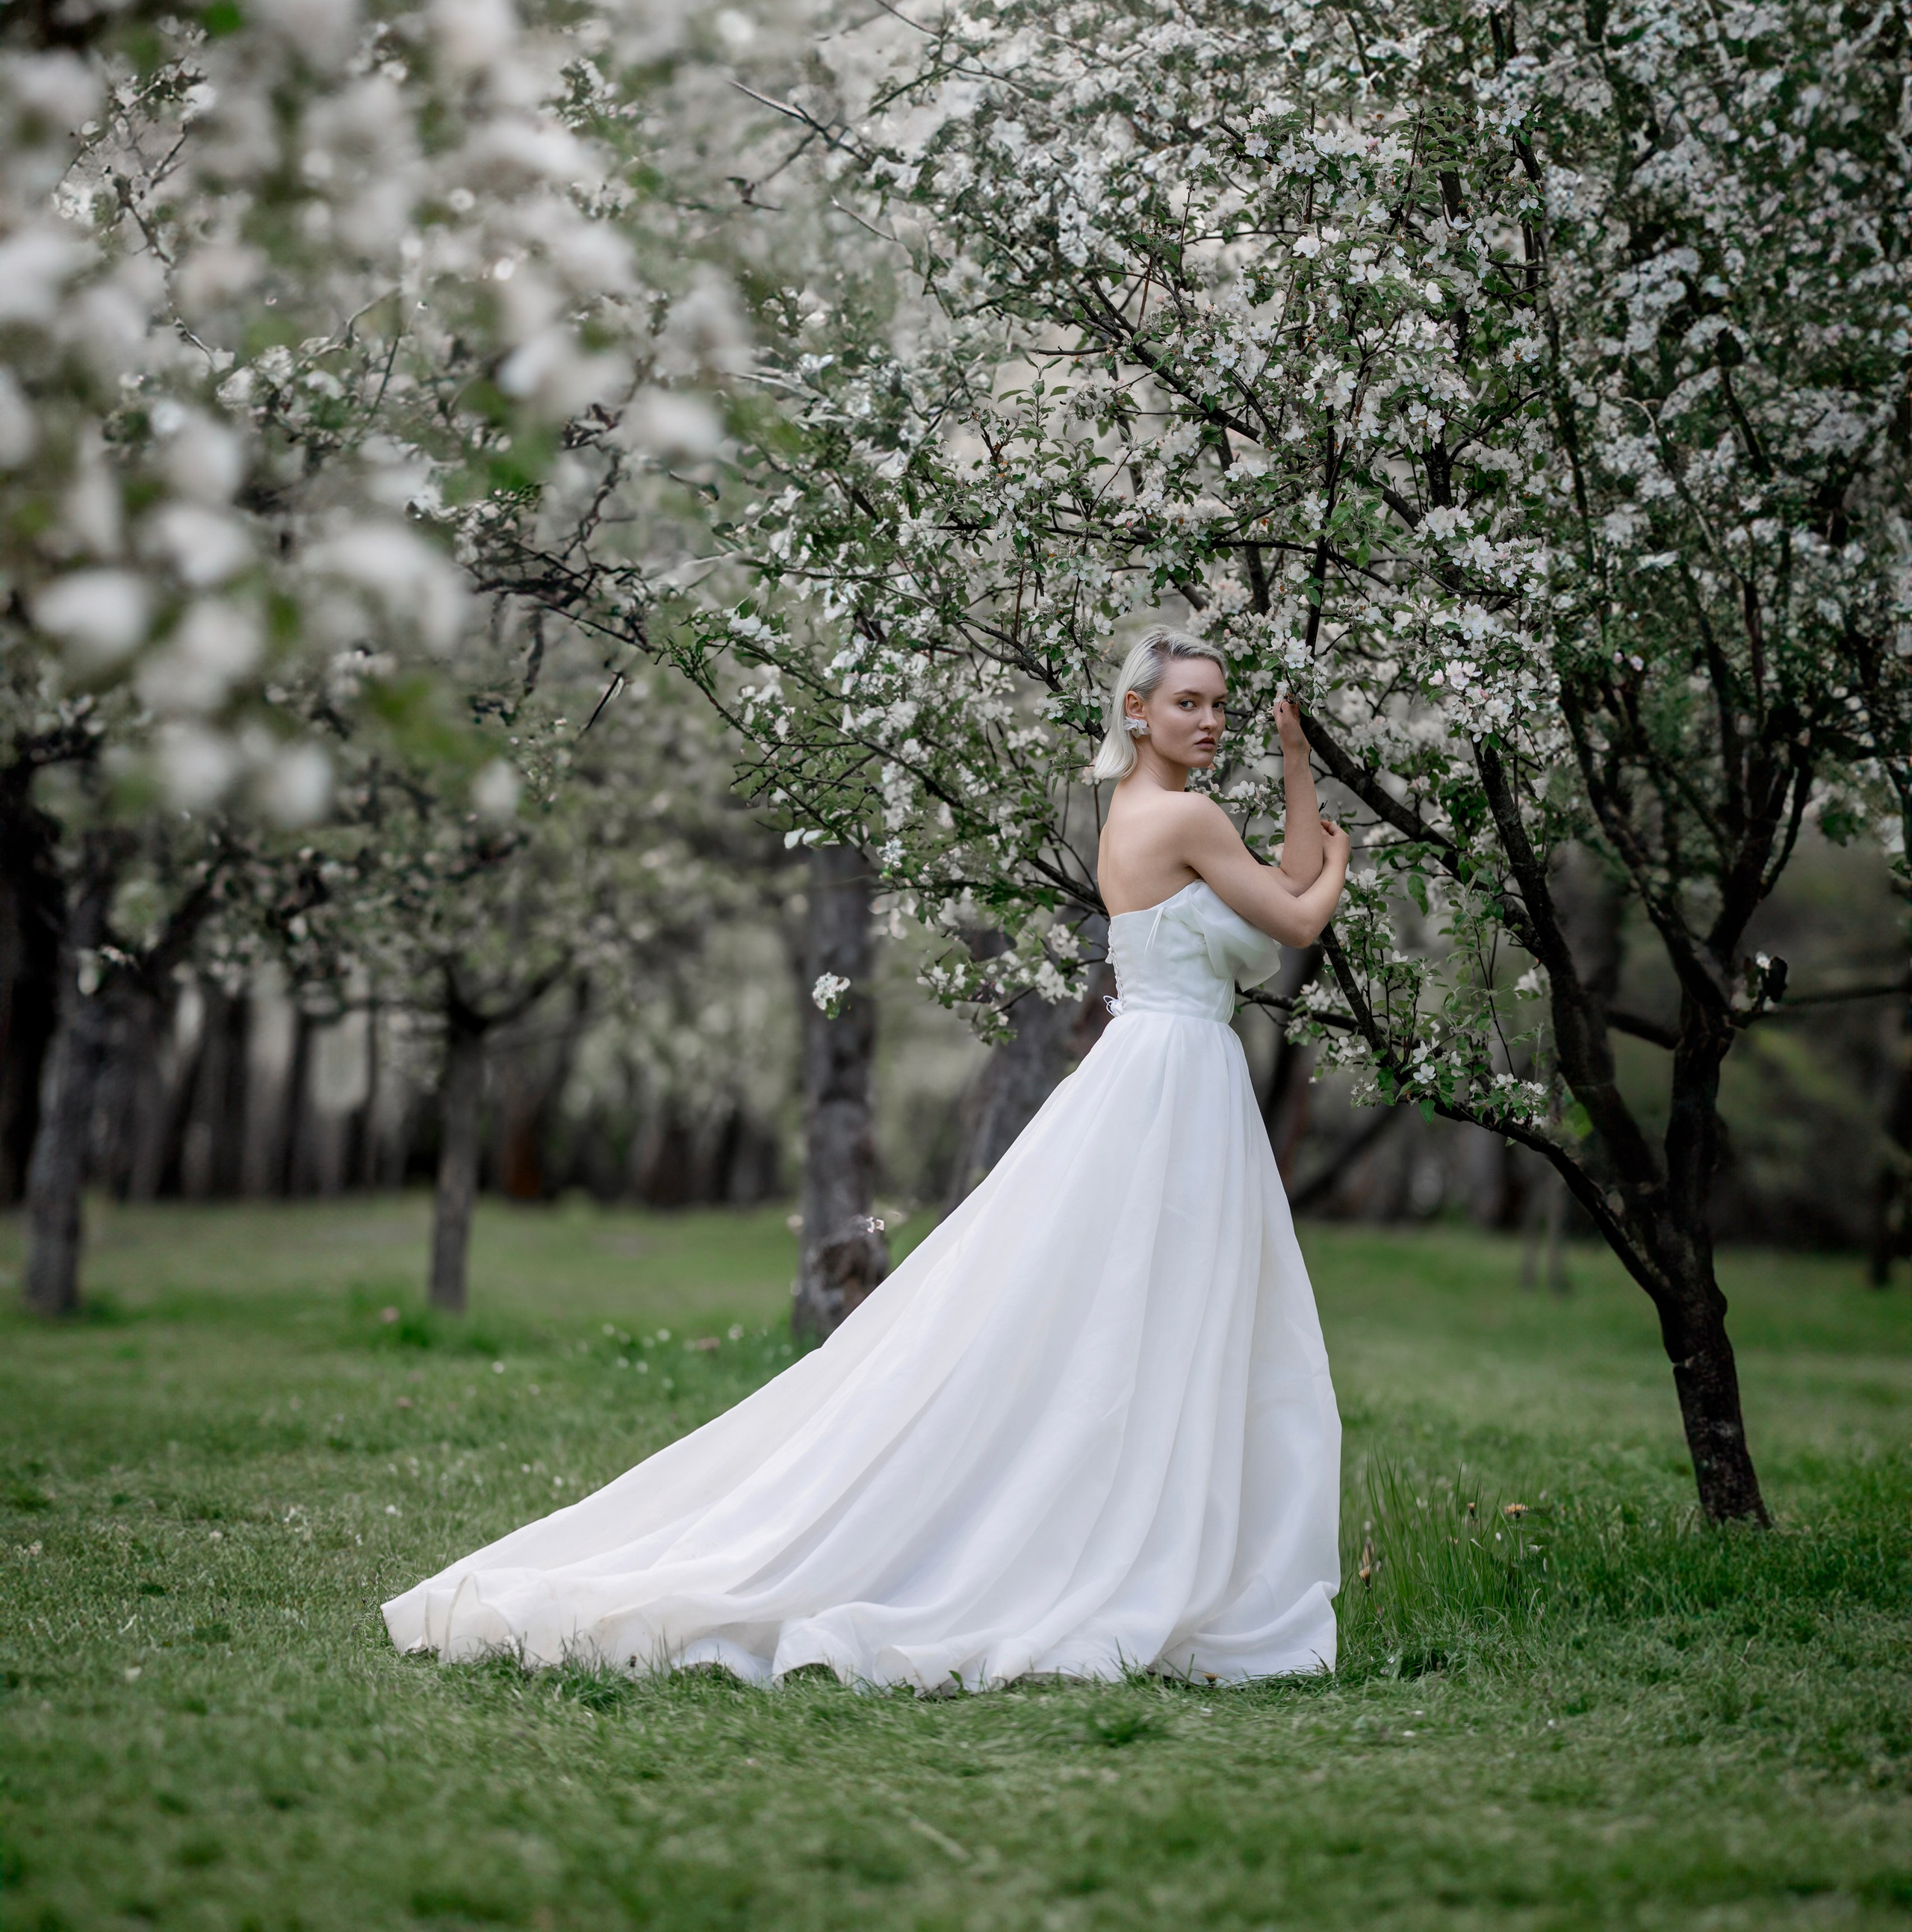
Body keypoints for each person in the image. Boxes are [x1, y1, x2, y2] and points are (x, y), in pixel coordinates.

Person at [382, 624, 1350, 1691]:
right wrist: (1340, 852)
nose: (1209, 721)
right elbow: (1299, 914)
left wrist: (1298, 766)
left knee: (1146, 1312)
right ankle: (1132, 1544)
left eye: (1219, 705)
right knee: (1157, 1308)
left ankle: (1149, 1530)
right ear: (1137, 714)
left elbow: (1275, 888)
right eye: (1187, 705)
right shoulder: (1188, 818)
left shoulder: (1138, 812)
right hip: (1175, 1077)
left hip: (1160, 1071)